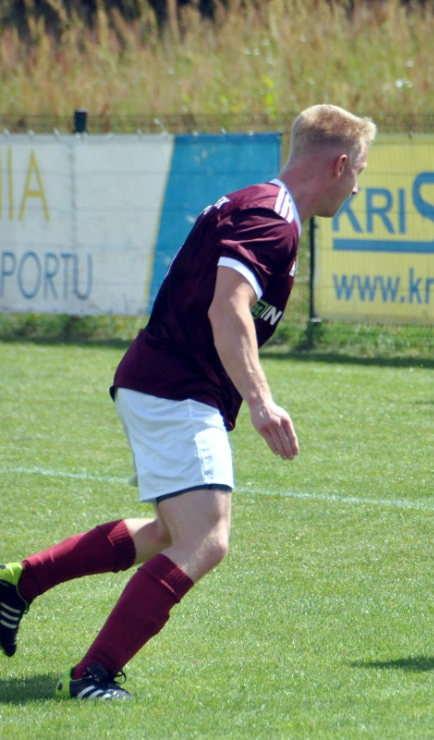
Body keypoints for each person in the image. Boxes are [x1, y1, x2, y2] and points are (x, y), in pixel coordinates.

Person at [0, 104, 377, 699]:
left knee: (168, 533)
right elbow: (226, 308)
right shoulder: (273, 219)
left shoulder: (263, 206)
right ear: (338, 164)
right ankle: (93, 675)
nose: (358, 184)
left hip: (165, 384)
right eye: (359, 170)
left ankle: (19, 584)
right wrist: (261, 401)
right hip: (175, 389)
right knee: (207, 539)